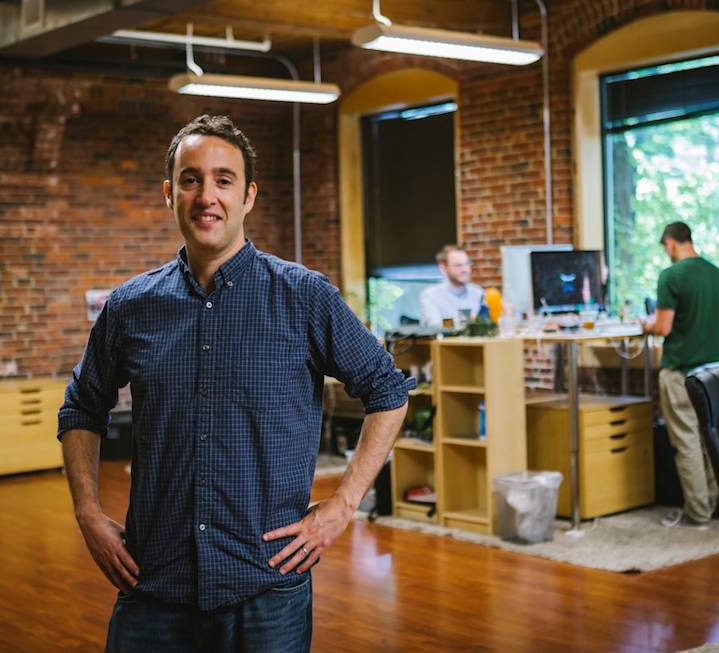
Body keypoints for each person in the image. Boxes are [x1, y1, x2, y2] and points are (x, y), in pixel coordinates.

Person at [57, 114, 411, 653]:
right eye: (191, 179)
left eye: (223, 180)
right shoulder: (131, 307)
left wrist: (343, 505)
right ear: (169, 193)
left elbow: (387, 390)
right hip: (154, 583)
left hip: (266, 587)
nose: (207, 196)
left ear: (248, 196)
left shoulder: (305, 297)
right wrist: (86, 510)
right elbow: (83, 405)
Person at [641, 221, 719, 528]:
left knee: (686, 442)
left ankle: (697, 512)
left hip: (680, 369)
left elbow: (663, 327)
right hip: (712, 374)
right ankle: (717, 504)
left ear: (671, 242)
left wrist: (645, 324)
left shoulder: (672, 276)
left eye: (665, 246)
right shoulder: (718, 276)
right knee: (709, 439)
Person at [419, 244, 487, 327]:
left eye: (467, 264)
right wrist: (462, 322)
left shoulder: (478, 293)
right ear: (443, 268)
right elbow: (435, 326)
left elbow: (488, 324)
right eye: (458, 265)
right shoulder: (431, 296)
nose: (465, 269)